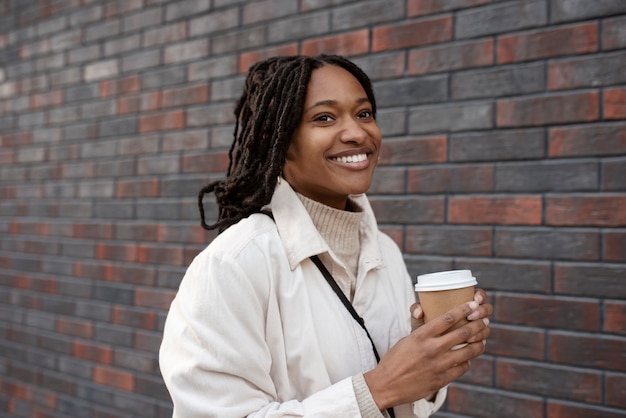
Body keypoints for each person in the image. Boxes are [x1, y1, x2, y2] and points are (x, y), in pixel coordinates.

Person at [159, 54, 493, 418]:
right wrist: (376, 389)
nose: (357, 132)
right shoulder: (234, 264)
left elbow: (410, 403)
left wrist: (430, 358)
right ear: (281, 140)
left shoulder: (384, 252)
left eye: (364, 114)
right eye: (324, 118)